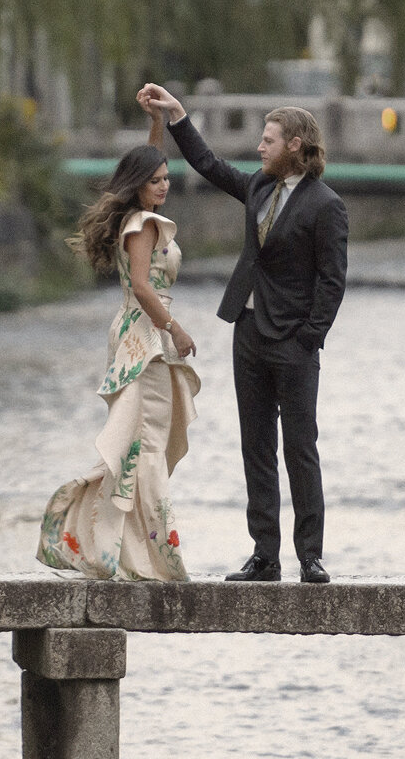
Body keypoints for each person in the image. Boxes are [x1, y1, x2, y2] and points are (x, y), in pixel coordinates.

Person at [136, 82, 347, 584]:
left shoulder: (326, 205)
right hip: (248, 333)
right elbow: (210, 166)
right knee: (255, 446)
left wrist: (309, 337)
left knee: (300, 448)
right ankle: (265, 556)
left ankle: (311, 556)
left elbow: (332, 282)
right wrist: (178, 117)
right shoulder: (257, 188)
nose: (260, 147)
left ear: (295, 144)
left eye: (269, 140)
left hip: (293, 342)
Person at [37, 109, 201, 581]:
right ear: (139, 185)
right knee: (145, 445)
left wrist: (158, 123)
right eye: (155, 180)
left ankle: (118, 550)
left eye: (167, 178)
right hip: (146, 333)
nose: (164, 185)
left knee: (137, 444)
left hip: (137, 332)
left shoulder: (138, 216)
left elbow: (149, 167)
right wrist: (176, 328)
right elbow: (147, 290)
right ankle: (157, 560)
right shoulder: (144, 226)